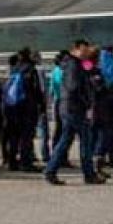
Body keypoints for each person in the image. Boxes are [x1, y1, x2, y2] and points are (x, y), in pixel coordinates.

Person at [45, 40, 101, 186]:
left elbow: (88, 72)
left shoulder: (75, 64)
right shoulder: (73, 65)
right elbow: (74, 87)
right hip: (75, 108)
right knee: (85, 140)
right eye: (84, 49)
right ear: (76, 49)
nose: (86, 52)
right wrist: (86, 102)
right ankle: (89, 174)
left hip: (69, 106)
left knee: (66, 140)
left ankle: (51, 170)